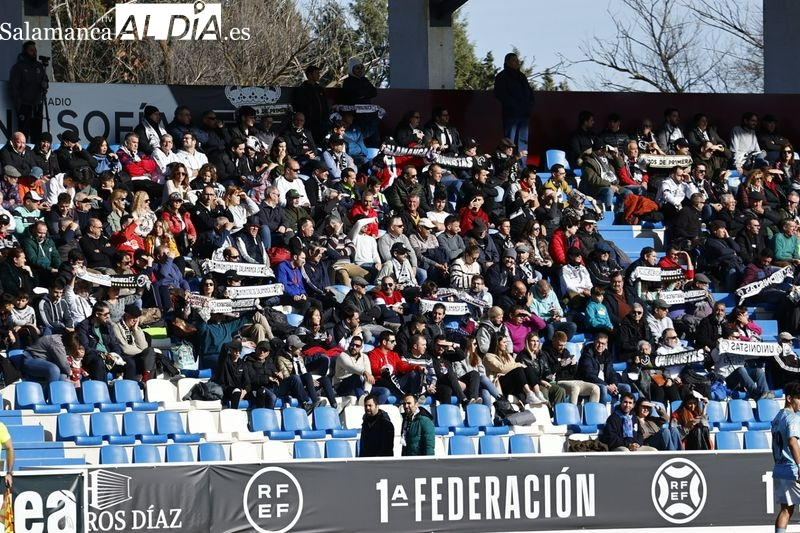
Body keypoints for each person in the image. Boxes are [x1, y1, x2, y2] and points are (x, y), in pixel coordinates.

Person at [771, 381, 800, 533]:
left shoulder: (777, 418)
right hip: (793, 469)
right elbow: (792, 441)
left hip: (779, 469)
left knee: (786, 510)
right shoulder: (792, 418)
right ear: (789, 398)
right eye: (799, 398)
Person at [493, 52, 534, 153]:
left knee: (523, 141)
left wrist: (530, 104)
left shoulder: (522, 77)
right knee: (509, 141)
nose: (517, 63)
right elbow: (500, 94)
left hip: (524, 114)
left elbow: (529, 92)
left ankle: (522, 166)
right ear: (508, 62)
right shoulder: (502, 76)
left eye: (518, 61)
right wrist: (513, 106)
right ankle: (509, 163)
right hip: (511, 115)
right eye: (514, 61)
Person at [8, 41, 48, 141]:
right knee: (23, 133)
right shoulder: (18, 67)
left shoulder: (39, 66)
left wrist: (45, 84)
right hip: (24, 106)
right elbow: (13, 87)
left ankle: (35, 155)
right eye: (31, 50)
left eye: (35, 50)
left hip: (37, 105)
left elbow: (46, 81)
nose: (34, 52)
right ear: (25, 52)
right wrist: (19, 105)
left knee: (37, 133)